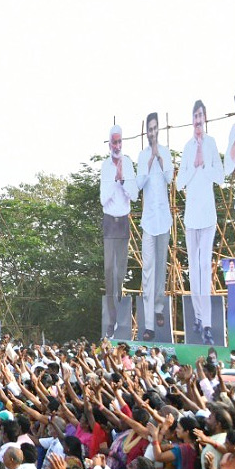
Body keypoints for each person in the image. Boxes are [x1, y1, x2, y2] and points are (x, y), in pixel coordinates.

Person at [177, 99, 225, 343]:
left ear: (205, 118)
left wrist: (203, 164)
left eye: (200, 116)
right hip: (191, 216)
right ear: (191, 119)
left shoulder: (212, 144)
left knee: (205, 267)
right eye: (194, 115)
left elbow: (221, 176)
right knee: (193, 271)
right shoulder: (186, 147)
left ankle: (206, 323)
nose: (197, 120)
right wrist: (192, 167)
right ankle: (197, 316)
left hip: (207, 216)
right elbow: (178, 182)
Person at [136, 112, 173, 339]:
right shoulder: (141, 156)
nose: (152, 133)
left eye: (154, 129)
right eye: (149, 129)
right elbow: (139, 184)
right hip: (149, 221)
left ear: (158, 130)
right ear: (146, 132)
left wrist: (160, 158)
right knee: (147, 269)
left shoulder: (166, 152)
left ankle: (159, 307)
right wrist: (149, 163)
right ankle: (149, 324)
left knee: (161, 266)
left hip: (164, 218)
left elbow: (169, 178)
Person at [99, 124, 137, 338]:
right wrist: (115, 180)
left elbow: (133, 194)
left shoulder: (129, 164)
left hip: (123, 221)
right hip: (108, 221)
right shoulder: (105, 166)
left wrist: (123, 179)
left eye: (120, 141)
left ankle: (121, 320)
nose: (117, 145)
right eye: (114, 142)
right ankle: (111, 322)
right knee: (109, 272)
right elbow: (103, 198)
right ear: (109, 144)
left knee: (120, 273)